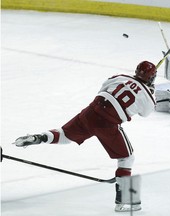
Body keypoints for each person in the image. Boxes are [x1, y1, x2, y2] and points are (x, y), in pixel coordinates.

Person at [12, 61, 157, 212]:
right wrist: (150, 90)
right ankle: (124, 201)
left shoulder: (120, 77)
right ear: (152, 77)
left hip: (92, 111)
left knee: (64, 135)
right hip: (108, 123)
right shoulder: (147, 96)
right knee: (127, 158)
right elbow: (145, 113)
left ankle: (40, 137)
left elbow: (103, 87)